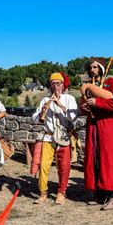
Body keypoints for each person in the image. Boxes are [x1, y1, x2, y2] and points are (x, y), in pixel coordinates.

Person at [80, 58, 113, 210]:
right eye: (90, 67)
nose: (92, 70)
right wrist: (85, 107)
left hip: (108, 129)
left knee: (109, 161)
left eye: (95, 67)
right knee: (95, 160)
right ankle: (99, 195)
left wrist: (98, 102)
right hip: (93, 128)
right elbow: (83, 105)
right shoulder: (88, 86)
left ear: (100, 68)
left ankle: (112, 197)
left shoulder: (111, 83)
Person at [31, 72, 78, 204]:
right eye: (53, 84)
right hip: (48, 137)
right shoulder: (45, 100)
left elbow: (73, 118)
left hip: (63, 136)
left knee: (64, 167)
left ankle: (61, 193)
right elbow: (34, 119)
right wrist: (43, 111)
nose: (55, 86)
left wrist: (60, 105)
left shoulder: (69, 99)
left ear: (63, 85)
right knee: (44, 166)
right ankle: (43, 193)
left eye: (58, 84)